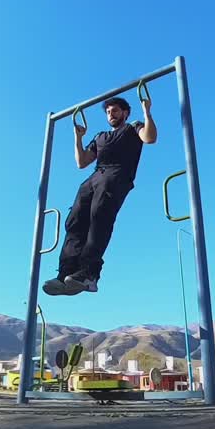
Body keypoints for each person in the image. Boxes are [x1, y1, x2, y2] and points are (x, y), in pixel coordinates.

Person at [43, 93, 156, 295]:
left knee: (99, 220)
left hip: (116, 177)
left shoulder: (133, 127)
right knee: (74, 221)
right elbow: (82, 162)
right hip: (95, 177)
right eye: (108, 112)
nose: (111, 114)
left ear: (126, 113)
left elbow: (150, 138)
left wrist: (147, 111)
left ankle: (88, 274)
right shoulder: (100, 136)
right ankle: (66, 274)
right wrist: (78, 138)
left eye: (115, 111)